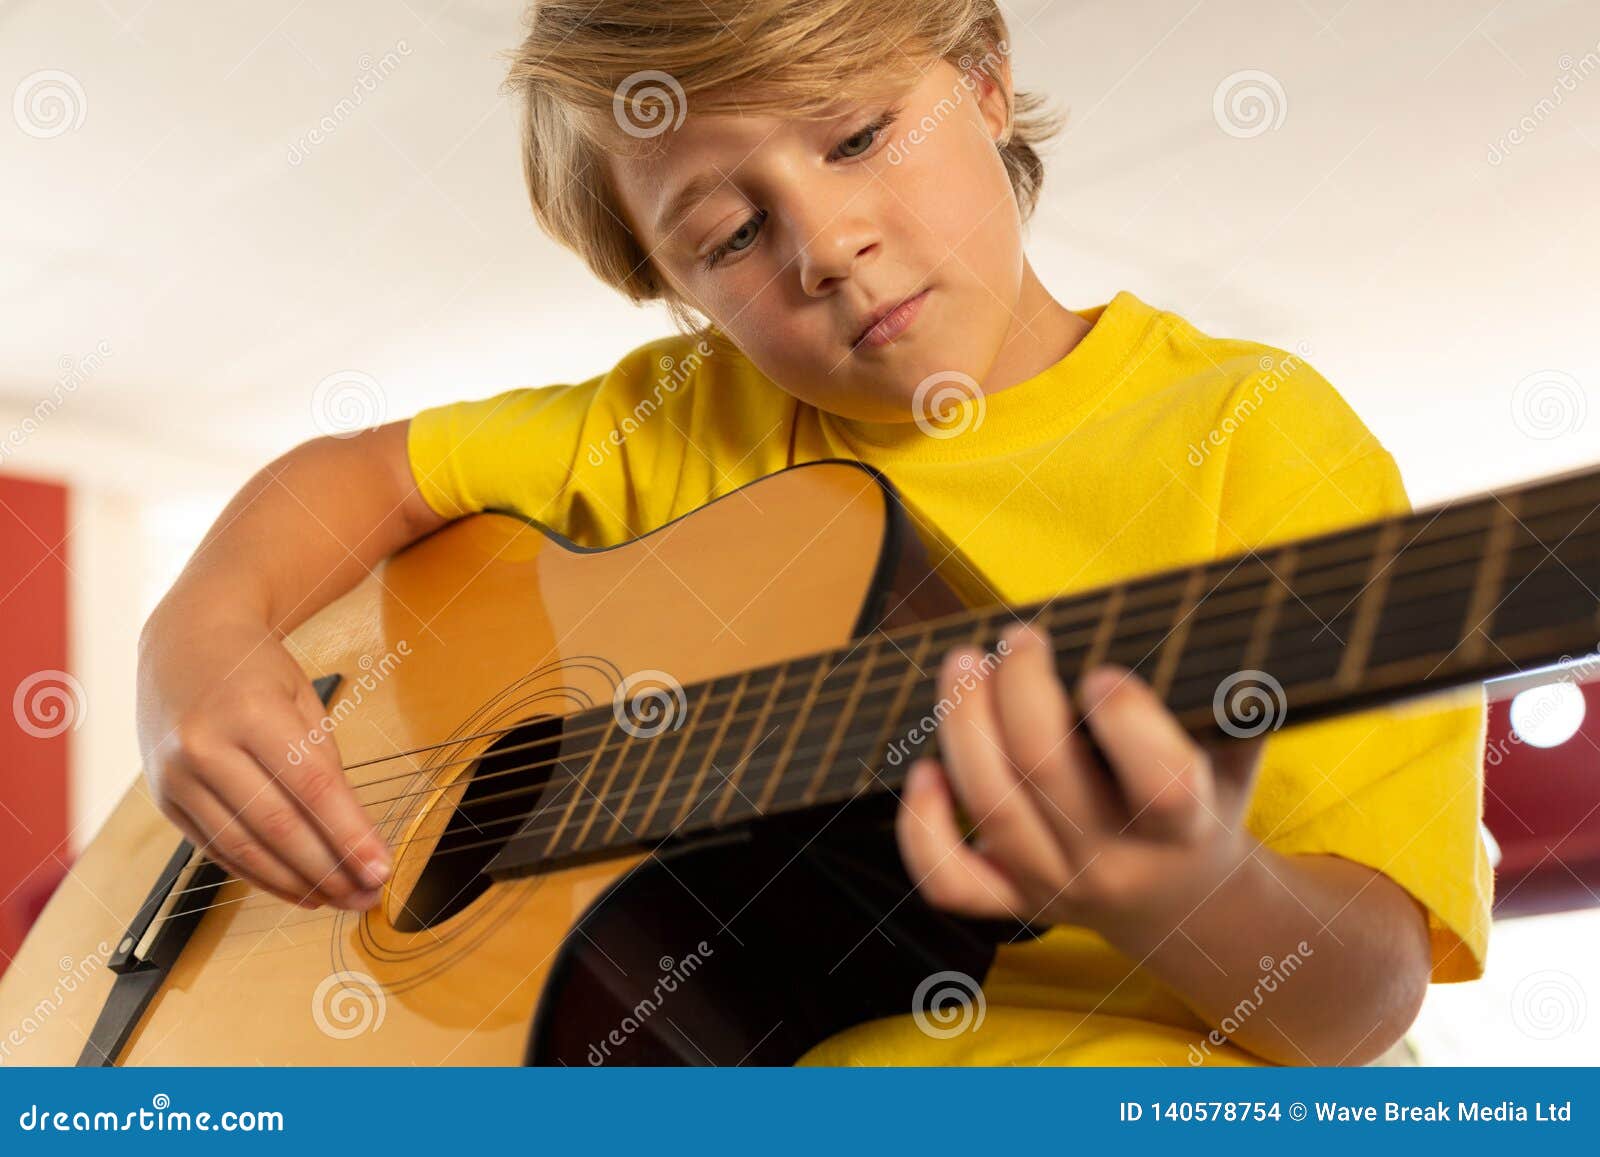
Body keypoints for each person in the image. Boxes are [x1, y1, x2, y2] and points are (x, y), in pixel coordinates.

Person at [136, 0, 1491, 1066]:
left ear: (982, 76)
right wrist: (194, 639)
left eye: (855, 137)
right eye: (727, 233)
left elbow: (1359, 1005)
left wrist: (1180, 887)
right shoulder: (678, 425)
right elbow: (364, 471)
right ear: (671, 290)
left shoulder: (1252, 431)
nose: (828, 242)